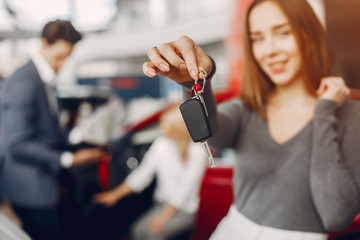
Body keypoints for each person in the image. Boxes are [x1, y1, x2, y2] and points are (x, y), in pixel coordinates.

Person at [142, 0, 360, 239]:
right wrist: (193, 81)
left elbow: (335, 215)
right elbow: (213, 135)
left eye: (283, 32)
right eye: (257, 38)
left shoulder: (352, 116)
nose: (269, 50)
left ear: (310, 34)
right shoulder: (247, 108)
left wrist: (324, 112)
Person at [0, 20, 105, 240]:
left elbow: (44, 132)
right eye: (59, 57)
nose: (63, 64)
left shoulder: (41, 80)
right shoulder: (24, 82)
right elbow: (18, 145)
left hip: (43, 183)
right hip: (30, 189)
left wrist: (77, 135)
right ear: (43, 44)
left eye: (67, 57)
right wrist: (70, 158)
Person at [94, 106, 207, 240]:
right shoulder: (161, 145)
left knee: (151, 235)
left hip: (184, 211)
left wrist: (162, 218)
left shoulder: (197, 151)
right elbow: (141, 175)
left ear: (178, 128)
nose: (161, 128)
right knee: (137, 231)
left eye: (165, 125)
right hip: (161, 204)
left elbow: (184, 191)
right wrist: (115, 195)